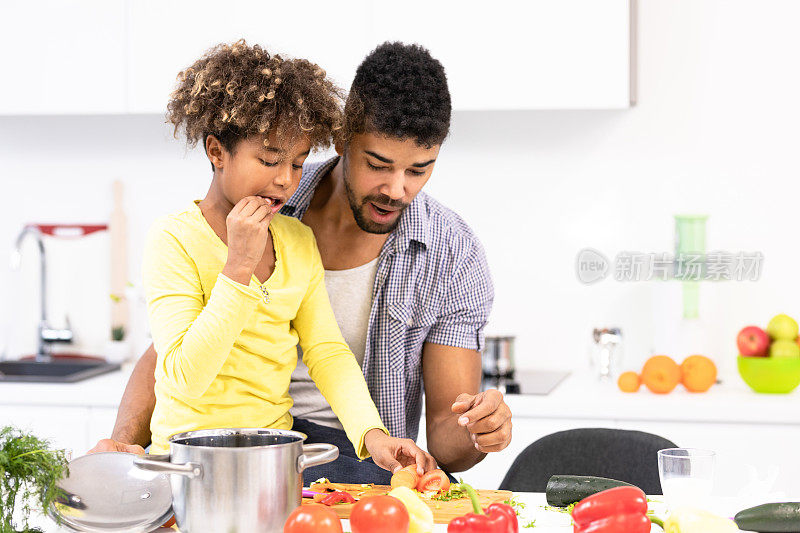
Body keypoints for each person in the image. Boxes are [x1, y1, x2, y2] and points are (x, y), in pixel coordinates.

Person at [92, 42, 512, 484]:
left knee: (392, 490)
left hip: (292, 450)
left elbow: (328, 351)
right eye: (377, 164)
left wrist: (398, 434)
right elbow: (172, 357)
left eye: (419, 170)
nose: (396, 189)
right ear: (343, 137)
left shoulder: (443, 251)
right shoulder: (214, 225)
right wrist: (124, 449)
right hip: (204, 452)